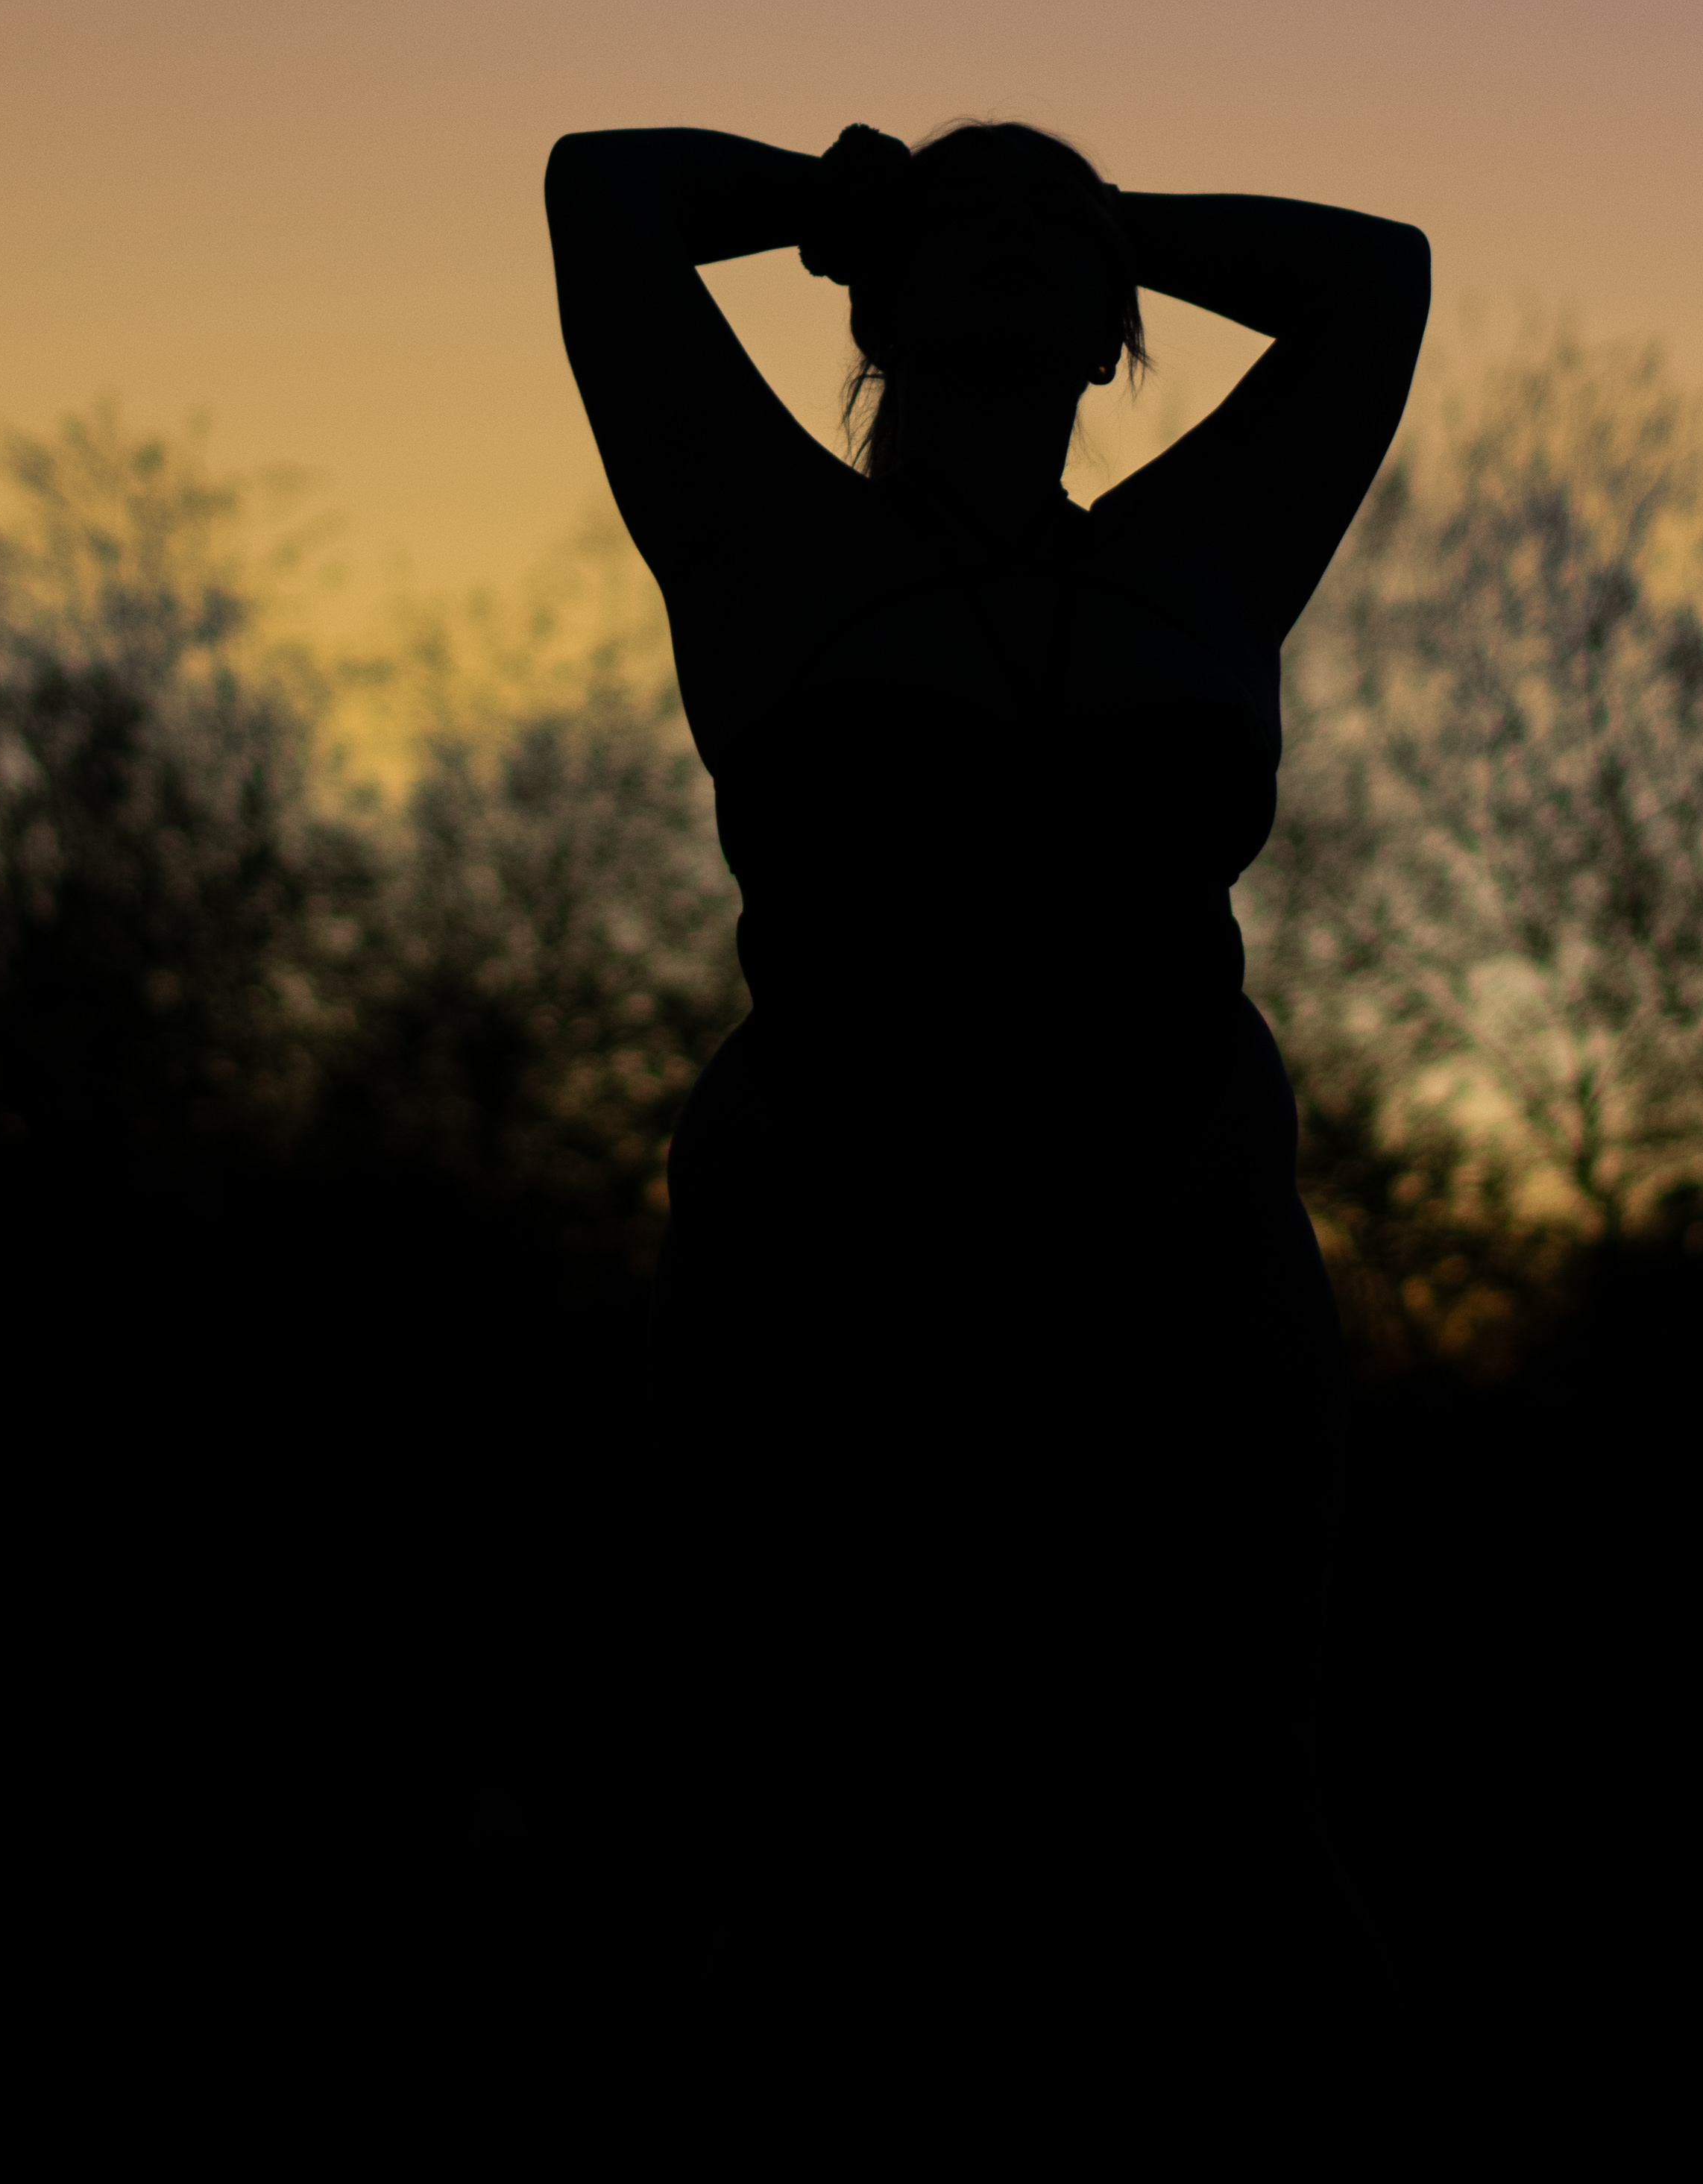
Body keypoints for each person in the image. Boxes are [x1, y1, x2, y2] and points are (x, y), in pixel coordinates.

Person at [543, 116, 1428, 1986]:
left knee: (1241, 1849)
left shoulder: (1203, 558)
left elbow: (1377, 274)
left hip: (1184, 1278)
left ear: (1119, 326)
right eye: (966, 215)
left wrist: (1114, 219)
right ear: (873, 296)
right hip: (837, 1279)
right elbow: (602, 189)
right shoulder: (761, 534)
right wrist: (841, 191)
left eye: (1056, 219)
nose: (1014, 231)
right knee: (806, 1851)